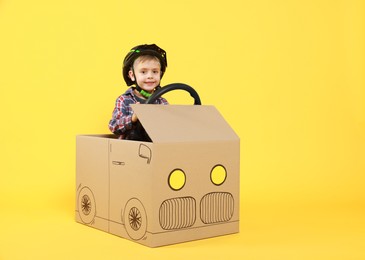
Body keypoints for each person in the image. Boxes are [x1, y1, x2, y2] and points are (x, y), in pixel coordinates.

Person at [108, 44, 168, 141]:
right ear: (132, 75)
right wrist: (133, 118)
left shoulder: (162, 102)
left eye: (155, 71)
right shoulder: (124, 100)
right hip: (130, 150)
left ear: (160, 74)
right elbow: (113, 126)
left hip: (154, 149)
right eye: (143, 72)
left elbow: (168, 128)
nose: (150, 76)